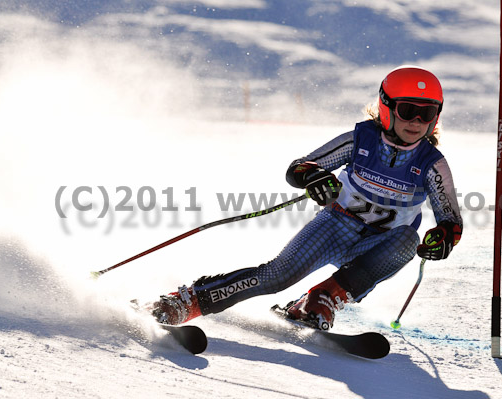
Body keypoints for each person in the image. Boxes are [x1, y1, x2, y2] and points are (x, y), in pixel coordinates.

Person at [151, 65, 463, 330]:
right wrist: (314, 177)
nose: (417, 122)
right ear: (386, 106)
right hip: (336, 226)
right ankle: (188, 300)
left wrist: (443, 238)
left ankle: (321, 299)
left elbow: (451, 221)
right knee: (275, 277)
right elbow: (299, 167)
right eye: (408, 111)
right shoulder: (360, 140)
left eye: (427, 114)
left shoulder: (432, 164)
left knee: (408, 241)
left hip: (377, 246)